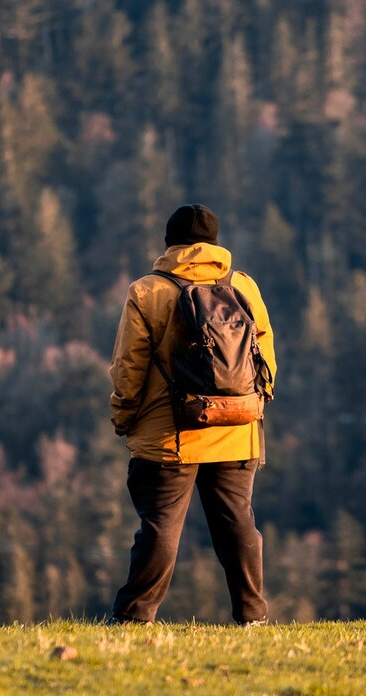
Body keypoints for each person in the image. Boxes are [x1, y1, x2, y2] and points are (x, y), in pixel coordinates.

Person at [106, 204, 277, 625]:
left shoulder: (148, 291)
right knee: (238, 522)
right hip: (238, 426)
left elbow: (130, 365)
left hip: (170, 434)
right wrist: (257, 403)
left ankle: (133, 617)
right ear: (214, 244)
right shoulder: (243, 286)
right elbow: (265, 353)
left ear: (170, 243)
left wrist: (123, 415)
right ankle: (252, 616)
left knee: (161, 527)